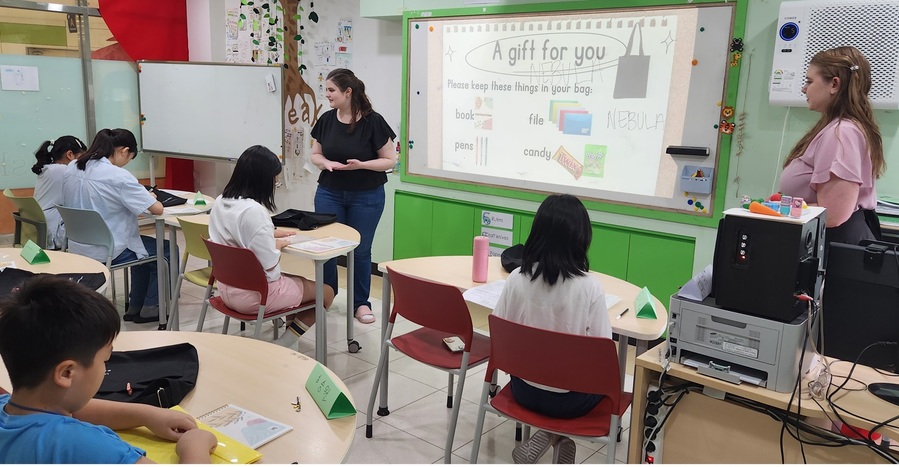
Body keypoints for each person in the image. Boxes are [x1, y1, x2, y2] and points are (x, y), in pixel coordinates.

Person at [0, 275, 217, 463]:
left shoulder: (10, 406)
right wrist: (194, 446)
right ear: (67, 373)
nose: (105, 368)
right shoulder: (86, 446)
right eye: (105, 359)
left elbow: (70, 409)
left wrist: (148, 414)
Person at [493, 193, 611, 464]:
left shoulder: (516, 278)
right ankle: (555, 434)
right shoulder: (590, 287)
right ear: (581, 238)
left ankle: (549, 434)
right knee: (605, 381)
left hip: (523, 390)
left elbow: (500, 337)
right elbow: (602, 359)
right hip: (571, 403)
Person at [209, 145, 335, 337]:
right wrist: (276, 243)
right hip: (255, 296)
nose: (276, 183)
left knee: (300, 282)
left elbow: (235, 235)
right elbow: (268, 265)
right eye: (274, 179)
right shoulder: (255, 211)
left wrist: (269, 234)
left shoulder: (220, 201)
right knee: (325, 291)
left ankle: (290, 340)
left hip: (226, 288)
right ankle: (285, 344)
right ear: (262, 180)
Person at [310, 68, 396, 325]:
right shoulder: (326, 119)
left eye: (331, 90)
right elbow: (315, 155)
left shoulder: (373, 121)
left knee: (360, 250)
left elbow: (390, 160)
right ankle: (326, 296)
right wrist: (325, 162)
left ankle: (360, 303)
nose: (327, 95)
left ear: (348, 92)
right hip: (329, 192)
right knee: (327, 247)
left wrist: (362, 165)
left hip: (366, 195)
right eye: (326, 90)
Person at [779, 46, 885, 252]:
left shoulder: (842, 132)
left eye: (809, 81)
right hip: (829, 241)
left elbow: (834, 214)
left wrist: (777, 211)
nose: (803, 88)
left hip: (835, 246)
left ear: (834, 84)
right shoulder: (837, 128)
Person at [62, 128, 170, 323]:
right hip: (108, 251)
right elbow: (157, 209)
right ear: (123, 151)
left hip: (79, 246)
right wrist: (150, 196)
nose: (127, 162)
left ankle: (136, 305)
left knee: (144, 249)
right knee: (167, 250)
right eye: (130, 157)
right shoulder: (118, 176)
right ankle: (152, 308)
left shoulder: (73, 166)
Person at [30, 135, 87, 249]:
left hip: (41, 225)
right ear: (70, 154)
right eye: (81, 157)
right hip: (53, 230)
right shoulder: (64, 171)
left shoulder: (49, 169)